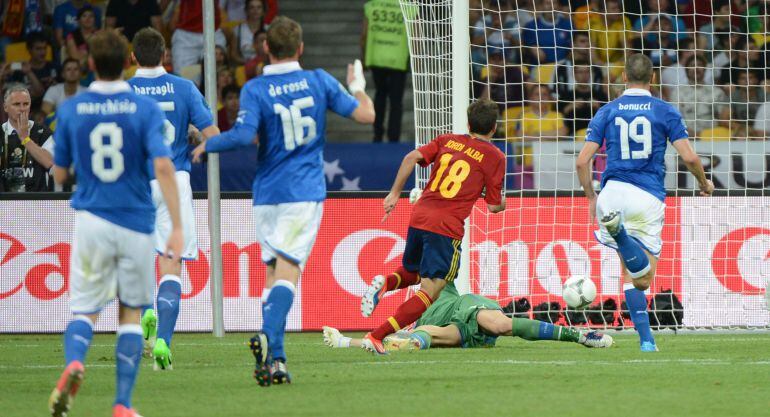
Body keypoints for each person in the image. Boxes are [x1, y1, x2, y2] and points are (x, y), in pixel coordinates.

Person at [190, 16, 375, 385]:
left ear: (266, 49)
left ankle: (276, 361)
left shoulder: (256, 88)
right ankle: (268, 336)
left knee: (273, 273)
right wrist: (357, 87)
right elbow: (366, 115)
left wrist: (209, 143)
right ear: (300, 48)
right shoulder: (318, 80)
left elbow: (243, 135)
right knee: (289, 272)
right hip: (302, 193)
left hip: (266, 195)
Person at [48, 30, 182, 417]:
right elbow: (163, 166)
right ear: (127, 62)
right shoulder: (144, 109)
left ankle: (76, 361)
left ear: (90, 64)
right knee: (130, 313)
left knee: (85, 310)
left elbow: (59, 173)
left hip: (92, 219)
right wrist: (176, 226)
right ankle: (122, 404)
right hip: (136, 221)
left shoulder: (72, 109)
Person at [575, 53, 713, 352]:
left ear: (624, 77)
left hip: (612, 194)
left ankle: (647, 340)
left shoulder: (607, 110)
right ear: (653, 78)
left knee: (629, 272)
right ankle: (646, 340)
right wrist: (704, 183)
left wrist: (590, 197)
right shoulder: (664, 110)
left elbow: (582, 161)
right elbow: (689, 157)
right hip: (645, 195)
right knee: (643, 278)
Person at [358, 99, 506, 354]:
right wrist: (502, 202)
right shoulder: (495, 156)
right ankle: (376, 335)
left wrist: (394, 193)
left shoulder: (448, 140)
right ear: (494, 128)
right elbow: (493, 206)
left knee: (415, 272)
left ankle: (387, 283)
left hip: (419, 216)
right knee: (432, 291)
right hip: (445, 227)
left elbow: (411, 157)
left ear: (468, 124)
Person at [127, 27, 221, 371]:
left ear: (133, 56)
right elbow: (213, 134)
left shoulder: (122, 91)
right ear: (165, 54)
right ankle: (164, 340)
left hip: (135, 182)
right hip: (174, 181)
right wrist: (194, 138)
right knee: (171, 264)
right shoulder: (184, 88)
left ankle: (145, 312)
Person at [326, 282, 613, 351]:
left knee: (500, 325)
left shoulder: (439, 285)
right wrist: (345, 341)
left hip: (465, 307)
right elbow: (378, 340)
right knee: (423, 335)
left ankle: (580, 336)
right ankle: (412, 343)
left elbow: (441, 249)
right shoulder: (411, 317)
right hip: (455, 332)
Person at [362, 0, 410, 143]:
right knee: (396, 101)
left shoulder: (372, 6)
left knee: (380, 95)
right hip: (398, 59)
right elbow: (416, 37)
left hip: (377, 58)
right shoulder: (409, 7)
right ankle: (394, 137)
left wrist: (363, 57)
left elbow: (364, 35)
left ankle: (377, 134)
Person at [1, 84, 55, 192]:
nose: (22, 109)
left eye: (25, 104)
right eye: (16, 104)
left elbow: (50, 162)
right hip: (4, 199)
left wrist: (25, 138)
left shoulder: (43, 132)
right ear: (5, 107)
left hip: (37, 199)